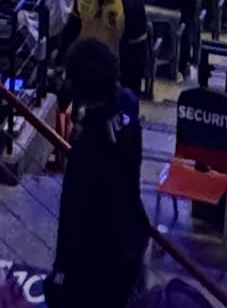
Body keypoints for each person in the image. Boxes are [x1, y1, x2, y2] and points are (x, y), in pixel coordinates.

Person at [47, 35, 148, 308]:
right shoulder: (127, 102)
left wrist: (60, 272)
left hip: (99, 258)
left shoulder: (87, 147)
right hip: (131, 233)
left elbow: (72, 215)